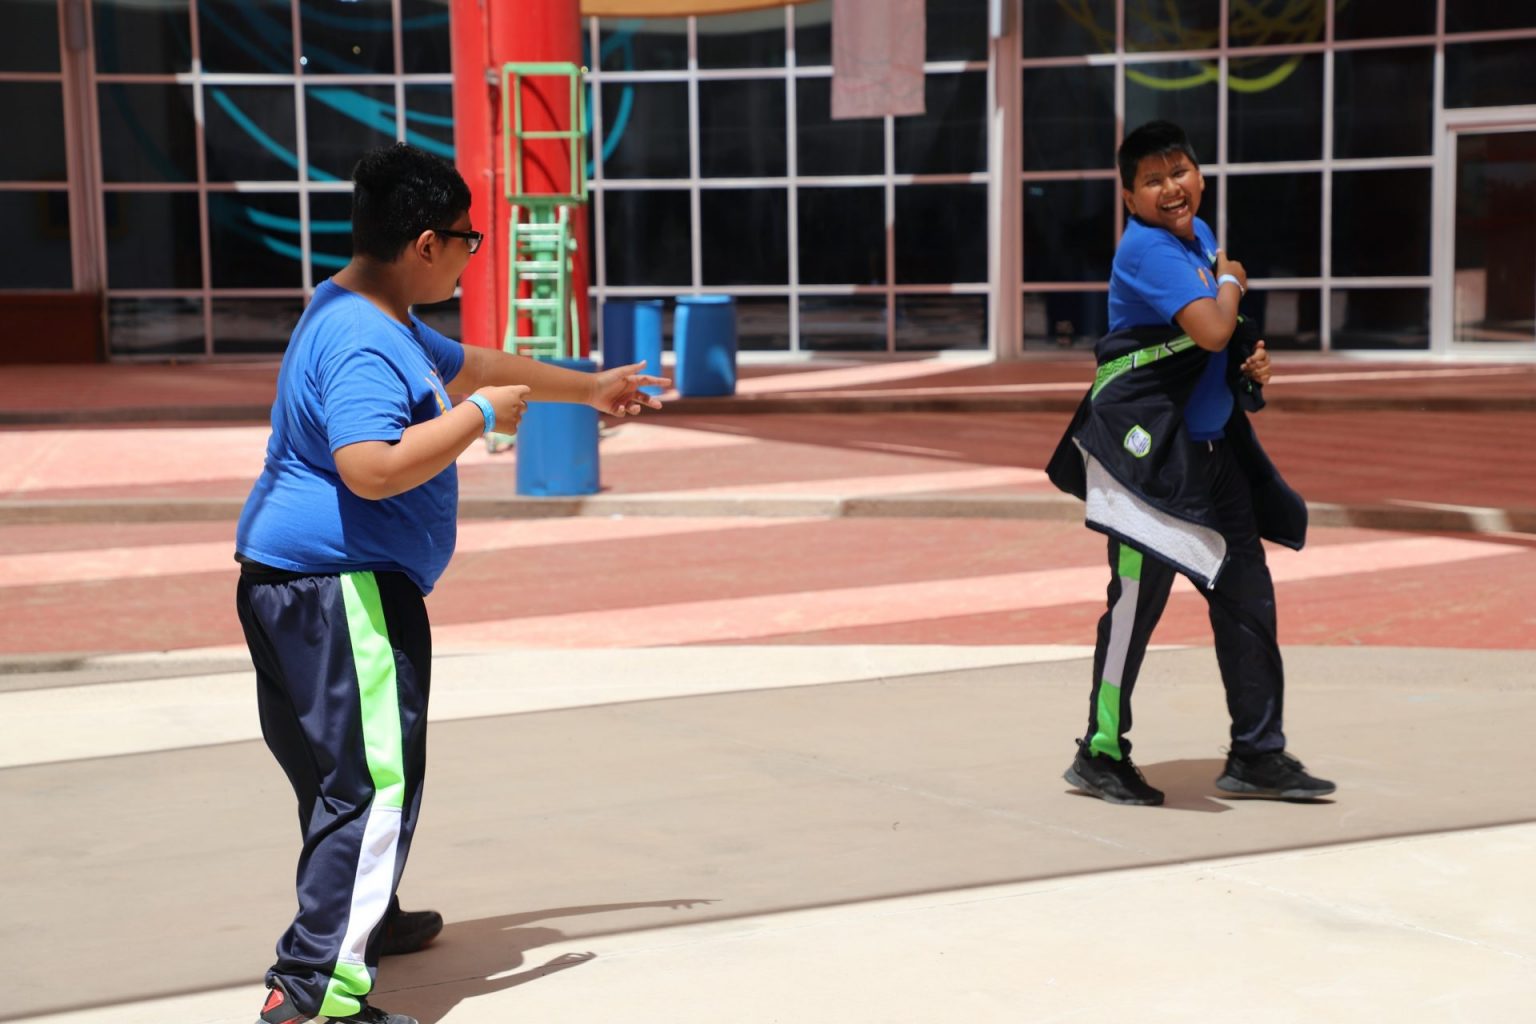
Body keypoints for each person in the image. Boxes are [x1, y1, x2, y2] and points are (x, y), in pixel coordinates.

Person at [234, 142, 667, 1024]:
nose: (472, 254)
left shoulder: (356, 306)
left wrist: (588, 389)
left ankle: (368, 917)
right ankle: (314, 992)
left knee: (337, 777)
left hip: (293, 584)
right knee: (372, 786)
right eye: (468, 238)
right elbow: (370, 468)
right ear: (426, 243)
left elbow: (475, 366)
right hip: (341, 590)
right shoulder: (363, 339)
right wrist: (476, 421)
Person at [1046, 120, 1334, 807]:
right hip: (1149, 467)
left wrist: (1248, 359)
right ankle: (1100, 752)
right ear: (1129, 198)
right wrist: (1232, 282)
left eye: (1179, 171)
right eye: (1153, 180)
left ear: (1199, 177)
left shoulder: (1196, 235)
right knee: (1134, 608)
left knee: (1247, 600)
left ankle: (1257, 754)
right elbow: (1209, 327)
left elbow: (1213, 340)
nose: (1171, 187)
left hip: (1211, 450)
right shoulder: (1146, 249)